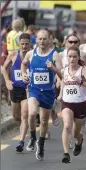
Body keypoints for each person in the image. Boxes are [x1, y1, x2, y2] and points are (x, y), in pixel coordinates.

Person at [21, 29, 63, 160]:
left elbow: (61, 73)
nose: (42, 41)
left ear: (49, 40)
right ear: (36, 40)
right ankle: (33, 137)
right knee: (32, 113)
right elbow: (23, 65)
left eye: (45, 39)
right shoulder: (31, 53)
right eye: (40, 39)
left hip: (48, 92)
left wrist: (54, 69)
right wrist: (23, 74)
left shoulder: (55, 55)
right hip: (34, 89)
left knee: (45, 121)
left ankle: (41, 144)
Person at [58, 47, 86, 163]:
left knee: (75, 133)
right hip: (67, 103)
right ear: (66, 58)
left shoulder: (83, 70)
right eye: (70, 56)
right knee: (67, 125)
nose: (72, 59)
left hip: (80, 104)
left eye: (74, 56)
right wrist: (60, 94)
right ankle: (66, 153)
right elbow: (63, 83)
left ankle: (79, 141)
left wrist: (81, 82)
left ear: (78, 58)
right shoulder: (64, 71)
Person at [2, 33, 31, 152]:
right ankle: (26, 125)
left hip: (27, 89)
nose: (24, 46)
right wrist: (7, 80)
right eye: (22, 44)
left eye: (26, 44)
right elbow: (4, 68)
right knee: (15, 116)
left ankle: (21, 141)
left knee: (24, 115)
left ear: (30, 44)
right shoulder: (13, 54)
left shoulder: (32, 55)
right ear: (19, 43)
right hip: (15, 89)